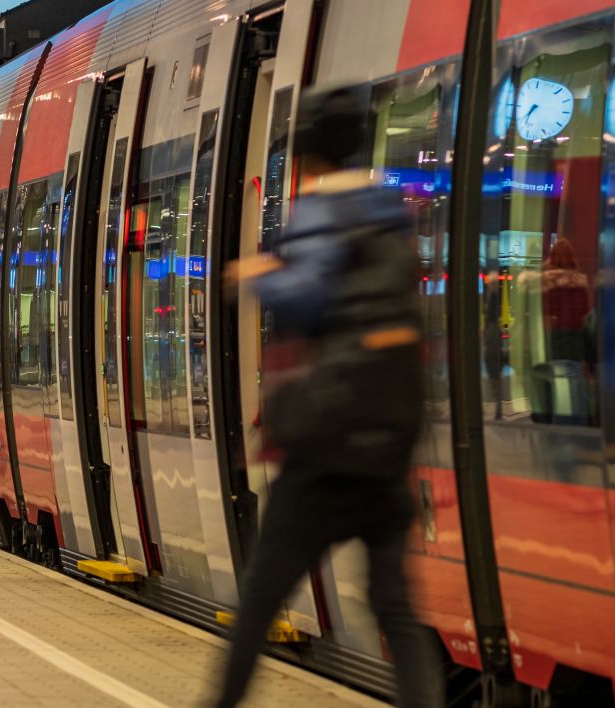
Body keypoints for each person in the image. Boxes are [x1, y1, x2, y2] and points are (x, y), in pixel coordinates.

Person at [214, 85, 439, 708]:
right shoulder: (390, 213)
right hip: (387, 443)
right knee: (394, 604)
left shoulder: (320, 212)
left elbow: (311, 298)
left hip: (322, 448)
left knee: (260, 597)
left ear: (308, 157)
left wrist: (258, 277)